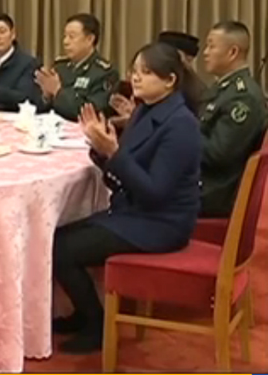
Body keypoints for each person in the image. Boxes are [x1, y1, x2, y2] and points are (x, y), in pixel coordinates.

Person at [52, 42, 204, 354]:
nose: (135, 78)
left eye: (145, 73)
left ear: (170, 80)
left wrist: (113, 152)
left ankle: (96, 325)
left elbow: (154, 192)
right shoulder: (146, 110)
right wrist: (101, 149)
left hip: (161, 223)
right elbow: (123, 172)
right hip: (135, 211)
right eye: (134, 71)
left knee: (62, 249)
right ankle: (84, 314)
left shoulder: (181, 125)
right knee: (57, 235)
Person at [198, 21, 267, 217]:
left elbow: (218, 155)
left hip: (213, 192)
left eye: (211, 46)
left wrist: (180, 131)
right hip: (198, 180)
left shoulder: (243, 97)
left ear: (232, 52)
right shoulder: (224, 89)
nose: (205, 53)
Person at [109, 30, 201, 128]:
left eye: (147, 72)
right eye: (134, 71)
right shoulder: (144, 105)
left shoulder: (184, 113)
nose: (135, 78)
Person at [35, 13, 119, 121]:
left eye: (72, 37)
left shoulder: (105, 73)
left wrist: (57, 91)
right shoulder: (60, 66)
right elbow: (39, 109)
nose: (65, 42)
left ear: (90, 39)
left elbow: (91, 113)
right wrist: (46, 97)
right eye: (65, 36)